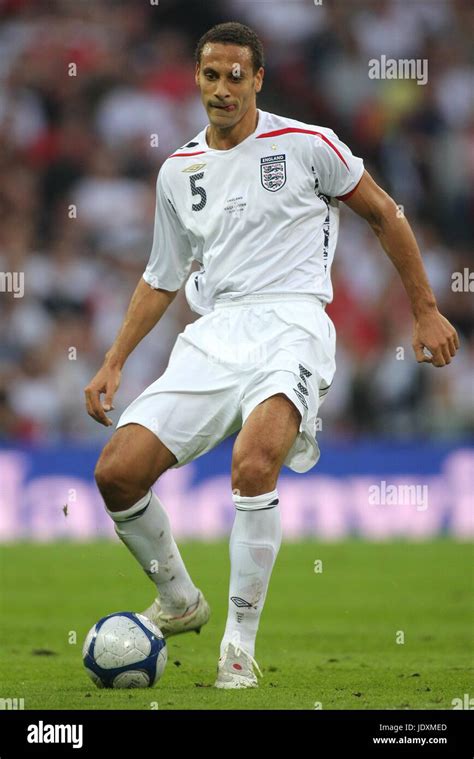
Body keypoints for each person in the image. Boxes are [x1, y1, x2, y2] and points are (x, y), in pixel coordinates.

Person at [85, 22, 459, 689]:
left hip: (292, 322)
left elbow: (385, 214)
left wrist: (426, 308)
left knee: (255, 464)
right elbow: (161, 277)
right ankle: (177, 599)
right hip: (213, 332)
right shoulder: (179, 171)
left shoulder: (310, 146)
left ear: (258, 79)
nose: (222, 89)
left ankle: (237, 646)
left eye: (236, 76)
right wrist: (114, 359)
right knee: (116, 473)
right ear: (197, 79)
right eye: (210, 75)